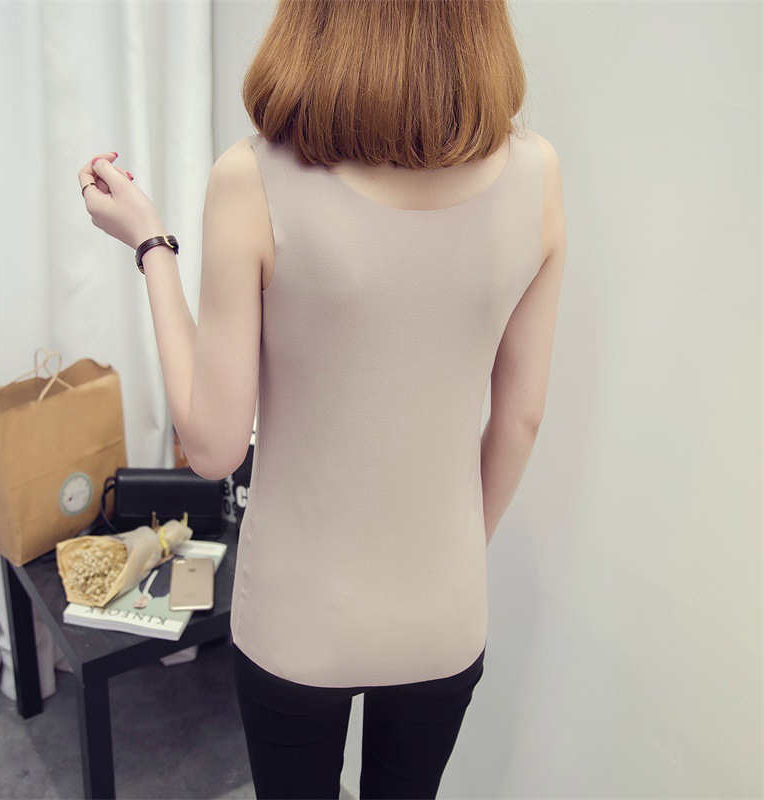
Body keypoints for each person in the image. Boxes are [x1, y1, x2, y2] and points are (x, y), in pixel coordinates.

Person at [79, 1, 566, 797]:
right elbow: (520, 418)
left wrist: (150, 245)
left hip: (296, 621)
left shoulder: (254, 178)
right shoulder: (538, 173)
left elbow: (214, 447)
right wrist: (444, 567)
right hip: (444, 616)